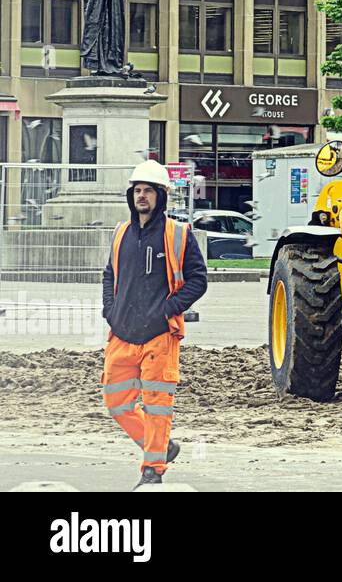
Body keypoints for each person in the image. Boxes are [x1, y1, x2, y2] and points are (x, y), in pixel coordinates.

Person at [101, 160, 207, 489]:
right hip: (122, 332)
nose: (141, 196)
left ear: (161, 196)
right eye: (137, 190)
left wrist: (168, 310)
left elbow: (198, 280)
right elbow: (109, 275)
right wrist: (110, 309)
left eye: (148, 191)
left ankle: (153, 472)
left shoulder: (178, 234)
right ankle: (162, 446)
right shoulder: (122, 233)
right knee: (116, 402)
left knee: (158, 407)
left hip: (160, 336)